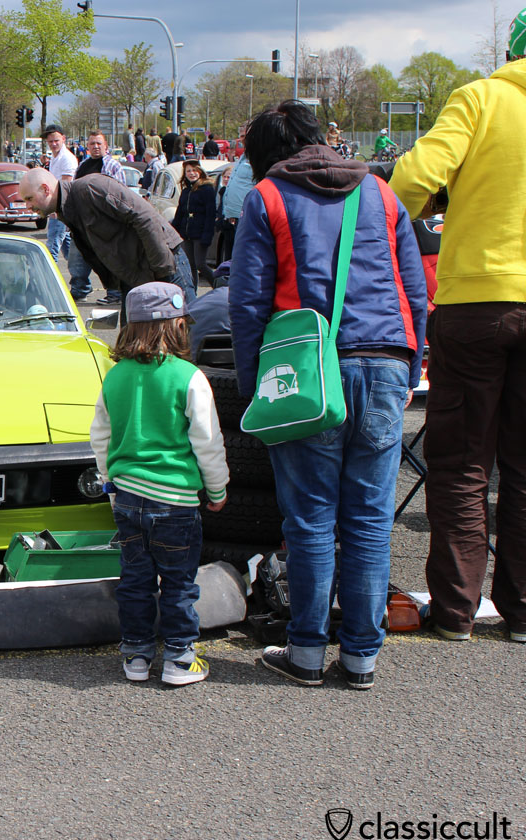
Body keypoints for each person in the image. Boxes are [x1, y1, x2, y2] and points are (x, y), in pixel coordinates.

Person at [230, 100, 427, 689]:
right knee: (369, 520)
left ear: (264, 153)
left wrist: (256, 390)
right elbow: (413, 290)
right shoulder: (381, 193)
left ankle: (308, 653)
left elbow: (248, 304)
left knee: (311, 519)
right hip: (386, 361)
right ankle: (362, 657)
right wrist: (410, 367)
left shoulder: (267, 197)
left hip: (310, 369)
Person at [389, 17, 526, 644]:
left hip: (476, 299)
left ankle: (455, 610)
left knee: (462, 462)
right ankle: (521, 611)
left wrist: (426, 211)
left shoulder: (482, 98)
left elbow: (412, 179)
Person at [90, 281, 228, 686]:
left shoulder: (115, 376)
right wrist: (216, 489)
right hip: (175, 501)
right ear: (177, 326)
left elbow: (100, 436)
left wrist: (109, 481)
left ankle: (136, 655)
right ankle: (180, 658)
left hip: (128, 497)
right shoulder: (189, 377)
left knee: (135, 579)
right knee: (179, 582)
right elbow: (207, 441)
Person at [18, 166, 197, 316]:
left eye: (29, 198)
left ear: (45, 189)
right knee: (135, 343)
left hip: (166, 264)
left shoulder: (91, 187)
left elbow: (144, 217)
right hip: (138, 276)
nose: (28, 206)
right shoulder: (68, 209)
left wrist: (162, 273)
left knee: (188, 335)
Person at [71, 131, 126, 304]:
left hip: (104, 222)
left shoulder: (113, 166)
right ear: (87, 146)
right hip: (82, 222)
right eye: (92, 143)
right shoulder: (83, 166)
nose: (95, 147)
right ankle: (79, 290)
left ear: (106, 146)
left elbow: (120, 195)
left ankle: (115, 293)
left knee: (108, 260)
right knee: (77, 259)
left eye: (99, 143)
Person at [171, 159, 216, 288]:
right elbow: (179, 214)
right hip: (187, 233)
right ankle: (192, 292)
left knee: (200, 264)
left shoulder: (207, 190)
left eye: (194, 170)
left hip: (200, 233)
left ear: (200, 172)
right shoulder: (186, 191)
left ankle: (219, 285)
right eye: (188, 171)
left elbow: (210, 214)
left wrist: (207, 235)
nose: (191, 173)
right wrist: (173, 232)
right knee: (190, 266)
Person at [41, 124, 77, 262]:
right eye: (50, 141)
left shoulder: (67, 158)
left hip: (62, 208)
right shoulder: (55, 157)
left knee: (52, 248)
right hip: (57, 207)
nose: (53, 144)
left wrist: (57, 209)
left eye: (56, 140)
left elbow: (65, 186)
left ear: (63, 139)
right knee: (68, 249)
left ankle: (48, 274)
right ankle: (79, 269)